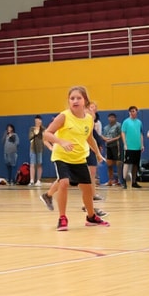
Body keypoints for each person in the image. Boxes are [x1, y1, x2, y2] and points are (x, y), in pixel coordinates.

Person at [38, 86, 108, 231]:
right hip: (62, 157)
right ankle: (62, 218)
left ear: (85, 101)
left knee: (88, 189)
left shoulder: (89, 119)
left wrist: (98, 154)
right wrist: (61, 142)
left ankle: (91, 217)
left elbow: (90, 138)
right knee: (64, 183)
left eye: (78, 98)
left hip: (79, 158)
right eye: (72, 98)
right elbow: (46, 134)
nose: (75, 101)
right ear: (69, 101)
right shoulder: (64, 116)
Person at [121, 106, 143, 188]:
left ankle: (134, 181)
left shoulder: (139, 122)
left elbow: (140, 134)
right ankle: (124, 182)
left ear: (136, 112)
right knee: (127, 164)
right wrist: (125, 144)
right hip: (129, 147)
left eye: (134, 111)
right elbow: (123, 133)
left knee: (135, 165)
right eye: (131, 111)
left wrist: (142, 144)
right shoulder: (126, 122)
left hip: (137, 147)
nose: (132, 112)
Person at [101, 113, 123, 187]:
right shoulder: (106, 127)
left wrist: (112, 139)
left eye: (113, 117)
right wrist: (105, 139)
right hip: (108, 147)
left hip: (116, 146)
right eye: (110, 117)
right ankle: (110, 180)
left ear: (115, 118)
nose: (111, 119)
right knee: (109, 164)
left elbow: (120, 135)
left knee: (118, 164)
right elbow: (102, 135)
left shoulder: (118, 125)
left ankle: (120, 180)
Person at [27, 115, 47, 187]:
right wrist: (34, 133)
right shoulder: (32, 129)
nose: (37, 122)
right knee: (32, 164)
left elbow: (45, 138)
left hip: (40, 148)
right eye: (36, 120)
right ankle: (31, 180)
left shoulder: (43, 129)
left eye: (39, 120)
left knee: (39, 164)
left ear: (41, 121)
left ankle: (38, 180)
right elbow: (30, 137)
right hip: (32, 148)